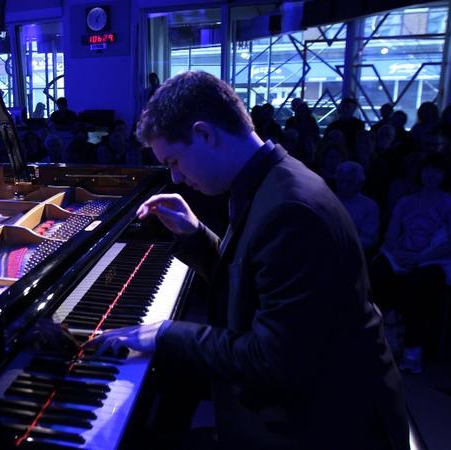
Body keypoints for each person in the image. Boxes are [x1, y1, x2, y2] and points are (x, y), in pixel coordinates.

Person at [87, 71, 408, 450]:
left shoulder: (291, 208)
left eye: (174, 160)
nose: (174, 178)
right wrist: (195, 234)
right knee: (162, 392)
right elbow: (256, 281)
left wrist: (164, 332)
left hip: (326, 423)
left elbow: (274, 360)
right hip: (310, 389)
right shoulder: (270, 181)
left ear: (205, 134)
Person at [371, 152, 451, 374]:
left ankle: (412, 349)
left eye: (436, 171)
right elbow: (391, 234)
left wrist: (422, 258)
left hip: (438, 259)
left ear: (445, 174)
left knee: (417, 283)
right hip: (403, 255)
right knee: (376, 271)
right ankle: (374, 338)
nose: (431, 175)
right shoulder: (406, 201)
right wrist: (399, 252)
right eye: (427, 169)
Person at [336, 161, 380, 254]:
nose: (343, 186)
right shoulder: (329, 201)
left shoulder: (370, 206)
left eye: (349, 183)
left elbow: (368, 239)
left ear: (360, 184)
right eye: (340, 181)